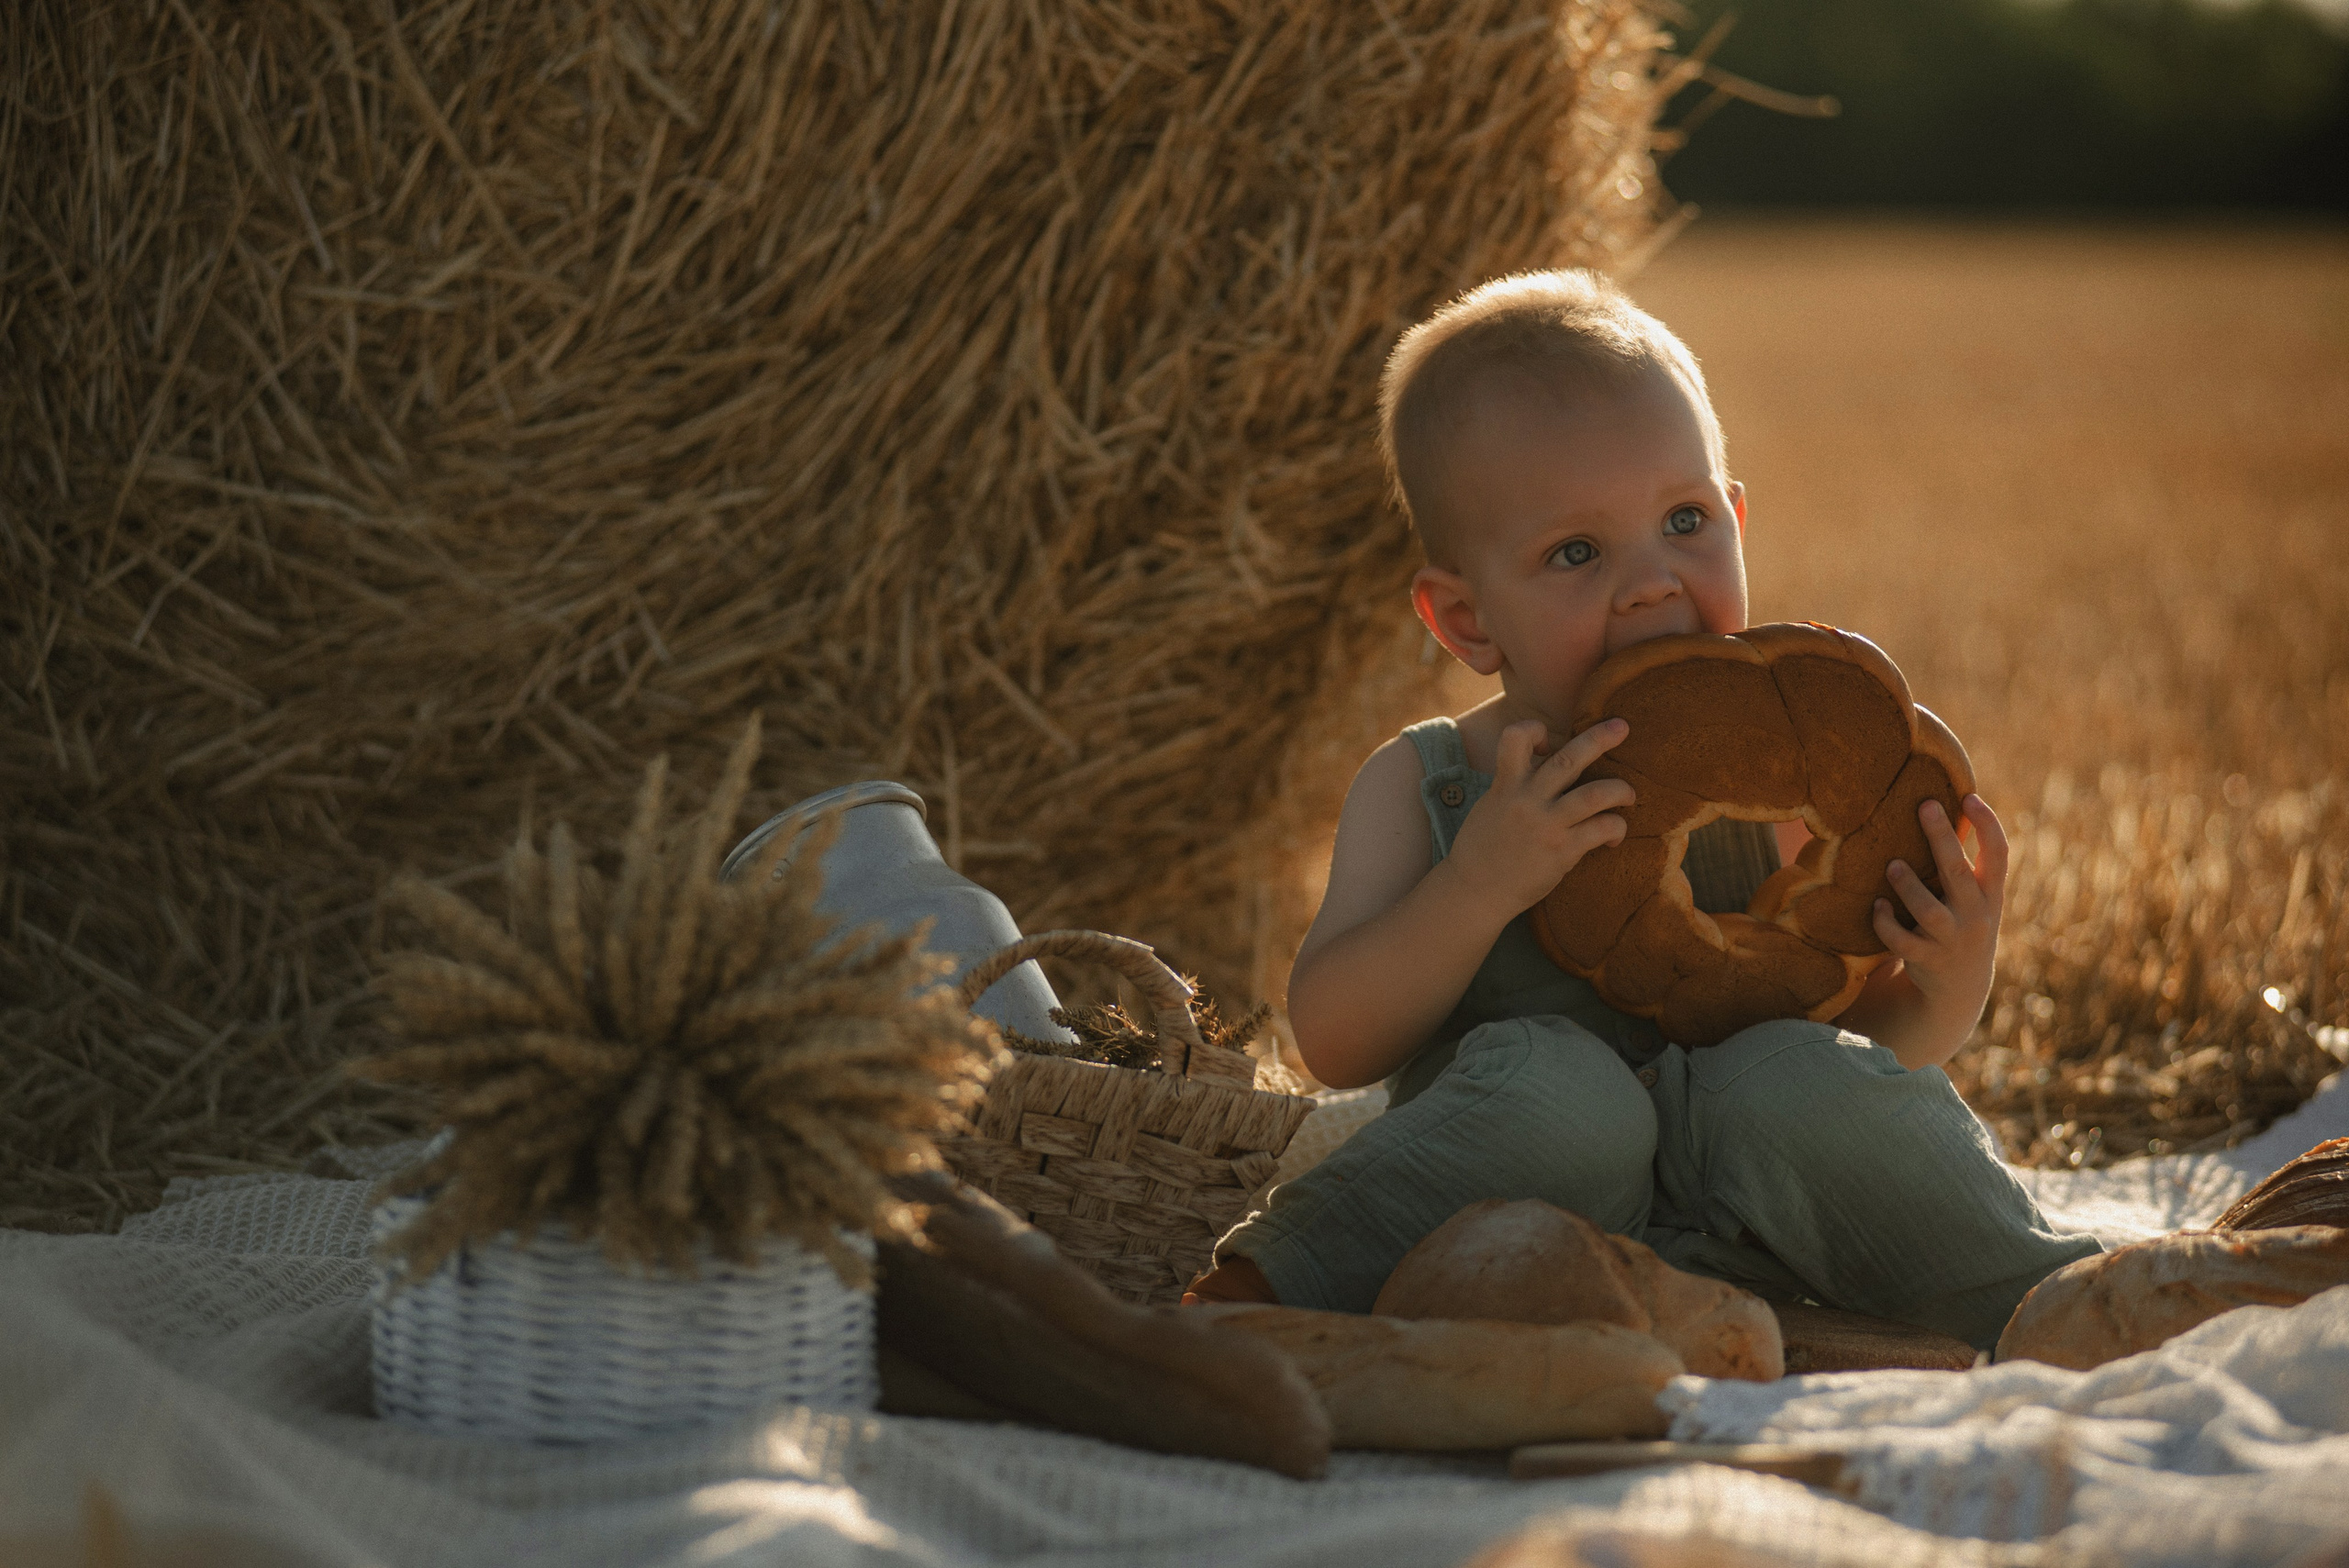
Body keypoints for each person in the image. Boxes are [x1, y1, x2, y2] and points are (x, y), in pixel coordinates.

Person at [1188, 270, 2097, 1349]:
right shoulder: (1429, 784)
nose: (1651, 582)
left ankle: (2049, 1301)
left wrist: (1947, 982)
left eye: (1684, 519)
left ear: (1737, 518)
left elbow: (1864, 1048)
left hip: (1764, 1233)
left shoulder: (1788, 782)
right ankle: (1264, 1296)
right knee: (1563, 1091)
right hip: (1522, 1234)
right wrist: (1476, 884)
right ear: (1467, 618)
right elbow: (1334, 1038)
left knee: (1795, 1078)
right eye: (1576, 552)